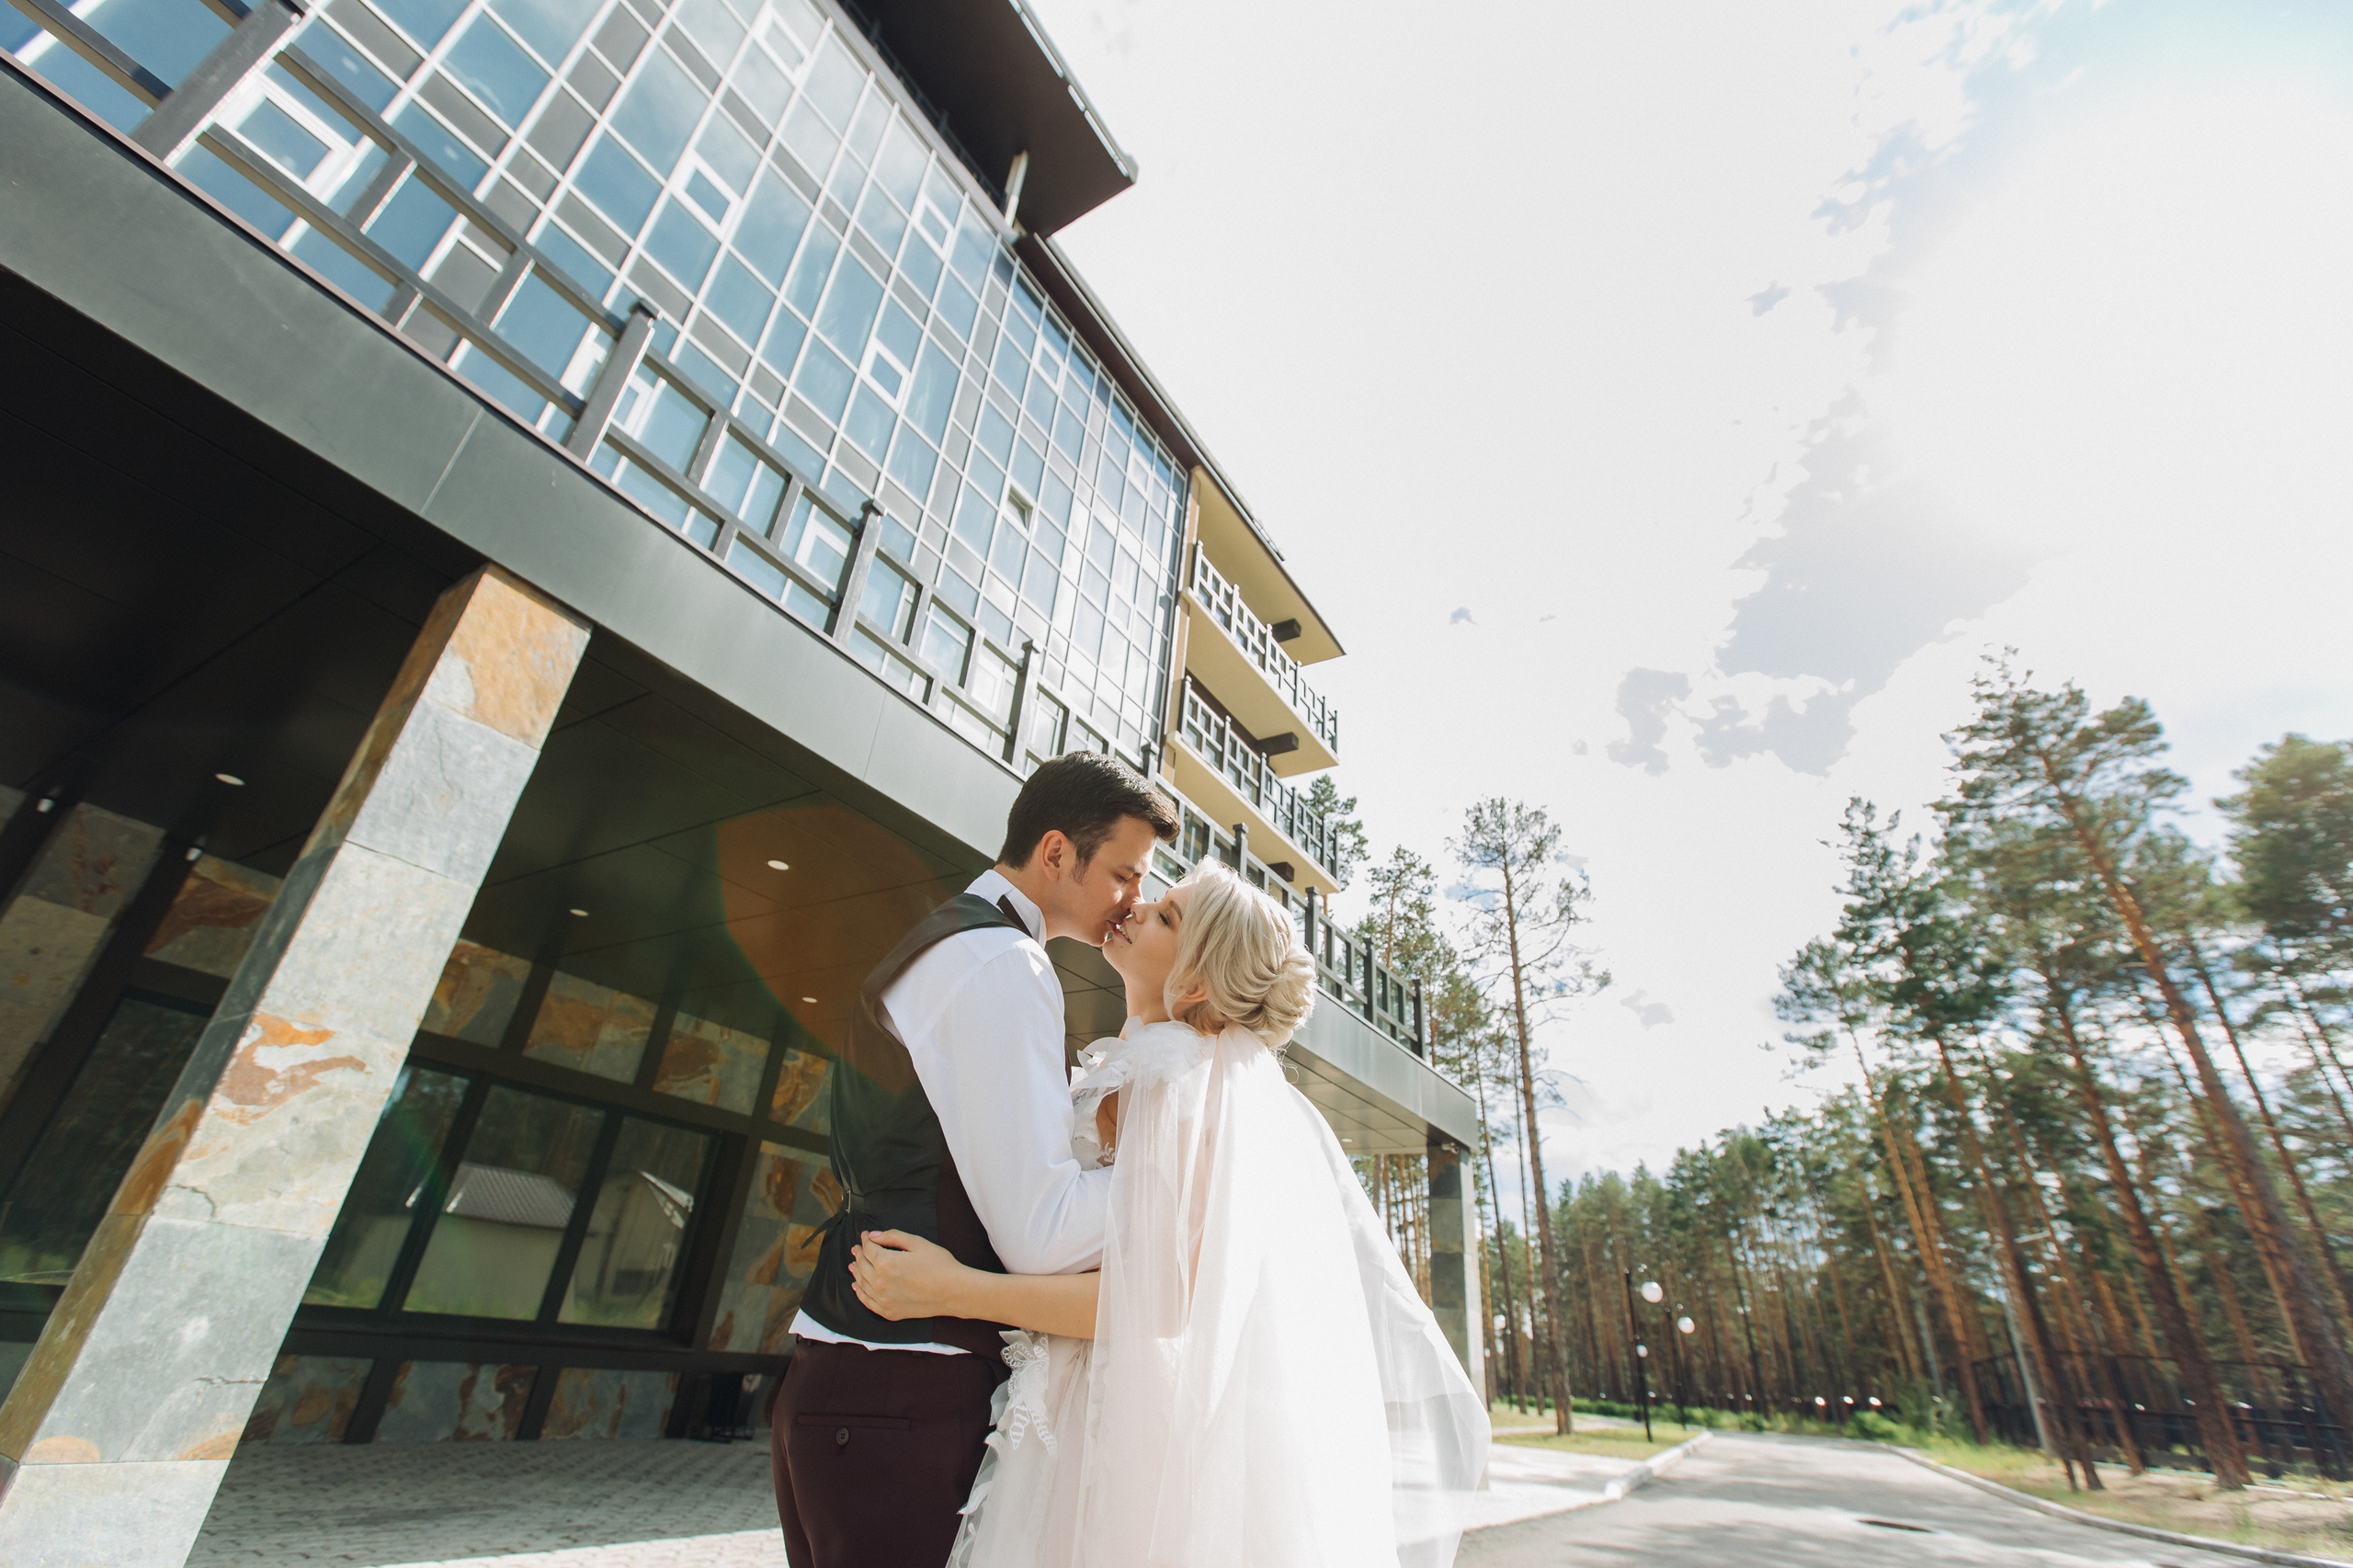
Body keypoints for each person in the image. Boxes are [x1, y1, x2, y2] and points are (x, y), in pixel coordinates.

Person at [848, 861, 1491, 1568]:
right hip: (1085, 1392)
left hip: (1118, 1418)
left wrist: (956, 1291)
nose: (1139, 905)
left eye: (1167, 916)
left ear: (1193, 982)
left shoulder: (1173, 1079)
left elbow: (1156, 1301)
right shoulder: (1154, 1065)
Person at [772, 751, 1179, 1568]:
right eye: (1127, 873)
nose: (1136, 899)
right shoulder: (1003, 962)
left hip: (856, 1384)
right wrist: (1183, 1183)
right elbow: (1043, 1236)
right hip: (903, 1393)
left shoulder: (954, 939)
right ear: (1058, 852)